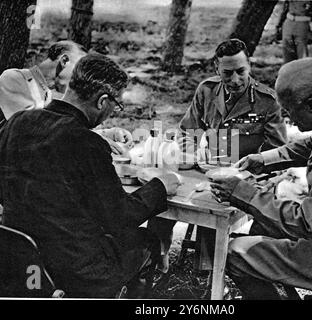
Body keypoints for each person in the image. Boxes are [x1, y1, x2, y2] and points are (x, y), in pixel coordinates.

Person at [0, 53, 181, 298]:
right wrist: (160, 186)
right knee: (146, 239)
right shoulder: (87, 142)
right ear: (101, 101)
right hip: (75, 270)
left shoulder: (17, 122)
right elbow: (120, 217)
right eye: (116, 105)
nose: (112, 111)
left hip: (17, 257)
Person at [210, 58, 312, 299]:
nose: (286, 118)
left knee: (233, 252)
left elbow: (306, 223)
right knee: (263, 223)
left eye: (288, 110)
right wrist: (265, 159)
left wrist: (244, 194)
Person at [147, 38, 287, 279]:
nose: (235, 80)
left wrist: (248, 173)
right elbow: (187, 131)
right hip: (204, 170)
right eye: (227, 73)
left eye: (241, 71)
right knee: (161, 199)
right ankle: (157, 262)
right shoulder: (207, 90)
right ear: (216, 69)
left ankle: (209, 274)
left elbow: (278, 152)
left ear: (249, 66)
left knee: (214, 211)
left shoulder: (267, 101)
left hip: (244, 177)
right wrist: (192, 151)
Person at [0, 40, 129, 154]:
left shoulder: (52, 94)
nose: (82, 77)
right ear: (64, 61)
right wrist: (95, 138)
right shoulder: (13, 78)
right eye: (79, 68)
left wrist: (106, 133)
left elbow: (58, 131)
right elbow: (33, 132)